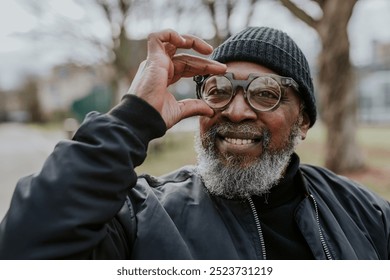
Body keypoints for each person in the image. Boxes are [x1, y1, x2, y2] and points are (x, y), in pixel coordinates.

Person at [0, 26, 389, 260]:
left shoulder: (366, 214)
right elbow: (23, 250)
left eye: (266, 93)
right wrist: (133, 118)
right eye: (218, 91)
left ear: (302, 120)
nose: (236, 112)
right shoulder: (140, 215)